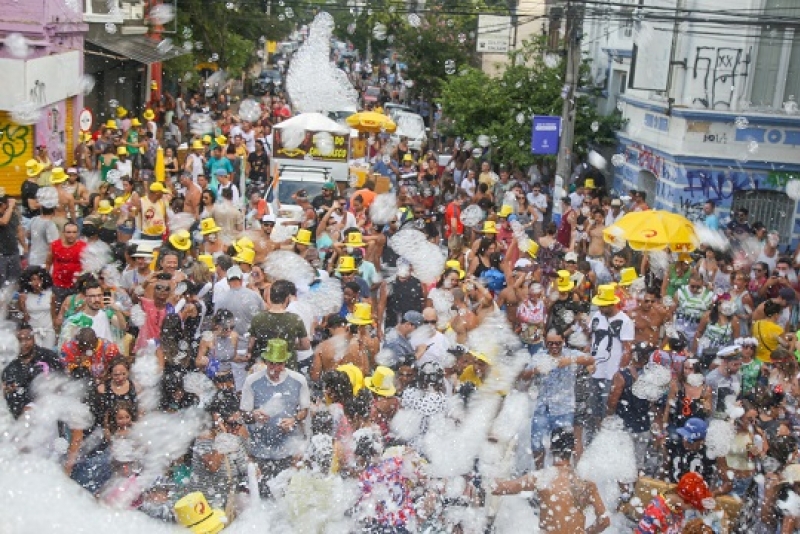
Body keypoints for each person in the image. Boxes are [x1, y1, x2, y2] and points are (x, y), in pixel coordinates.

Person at [492, 429, 610, 534]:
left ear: (551, 448)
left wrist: (488, 471)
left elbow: (499, 488)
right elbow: (604, 521)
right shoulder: (585, 483)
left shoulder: (543, 478)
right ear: (573, 450)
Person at [240, 339, 310, 497]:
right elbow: (244, 414)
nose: (275, 368)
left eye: (280, 364)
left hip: (289, 451)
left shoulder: (298, 380)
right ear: (265, 362)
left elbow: (304, 410)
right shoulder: (252, 381)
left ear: (285, 362)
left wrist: (294, 420)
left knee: (288, 497)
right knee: (264, 499)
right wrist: (254, 414)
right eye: (272, 364)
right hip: (261, 451)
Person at [2, 323, 62, 418]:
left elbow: (62, 381)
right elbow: (10, 396)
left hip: (50, 414)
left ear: (34, 339)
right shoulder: (10, 367)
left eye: (27, 339)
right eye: (20, 340)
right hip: (23, 421)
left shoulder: (48, 357)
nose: (23, 343)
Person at [248, 279, 310, 371]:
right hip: (288, 368)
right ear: (286, 299)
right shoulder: (295, 319)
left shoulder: (258, 318)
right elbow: (306, 345)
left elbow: (250, 345)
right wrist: (289, 344)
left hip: (265, 367)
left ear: (270, 297)